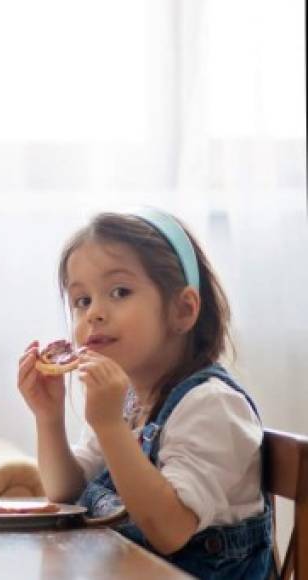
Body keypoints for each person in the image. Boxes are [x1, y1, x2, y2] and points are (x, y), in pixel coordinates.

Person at [18, 209, 271, 579]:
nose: (94, 315)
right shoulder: (128, 403)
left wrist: (108, 426)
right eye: (82, 301)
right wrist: (48, 417)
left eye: (119, 292)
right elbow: (64, 490)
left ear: (182, 311)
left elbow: (170, 530)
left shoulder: (211, 405)